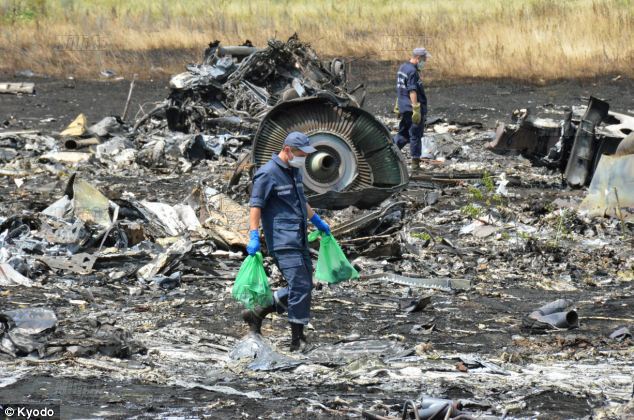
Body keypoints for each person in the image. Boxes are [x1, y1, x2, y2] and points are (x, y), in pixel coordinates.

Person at [242, 131, 331, 352]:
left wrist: (317, 220)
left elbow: (301, 201)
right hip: (282, 239)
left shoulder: (294, 171)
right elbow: (256, 207)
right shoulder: (267, 174)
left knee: (304, 285)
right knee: (300, 285)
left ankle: (259, 311)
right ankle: (297, 341)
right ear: (288, 150)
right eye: (301, 154)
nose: (305, 159)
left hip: (299, 236)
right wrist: (253, 235)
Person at [393, 47, 431, 171]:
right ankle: (415, 164)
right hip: (412, 109)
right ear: (418, 58)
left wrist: (399, 105)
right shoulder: (412, 72)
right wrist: (416, 109)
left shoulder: (403, 68)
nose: (425, 62)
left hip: (405, 107)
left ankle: (388, 153)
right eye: (424, 59)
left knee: (403, 134)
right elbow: (412, 90)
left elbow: (400, 88)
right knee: (415, 135)